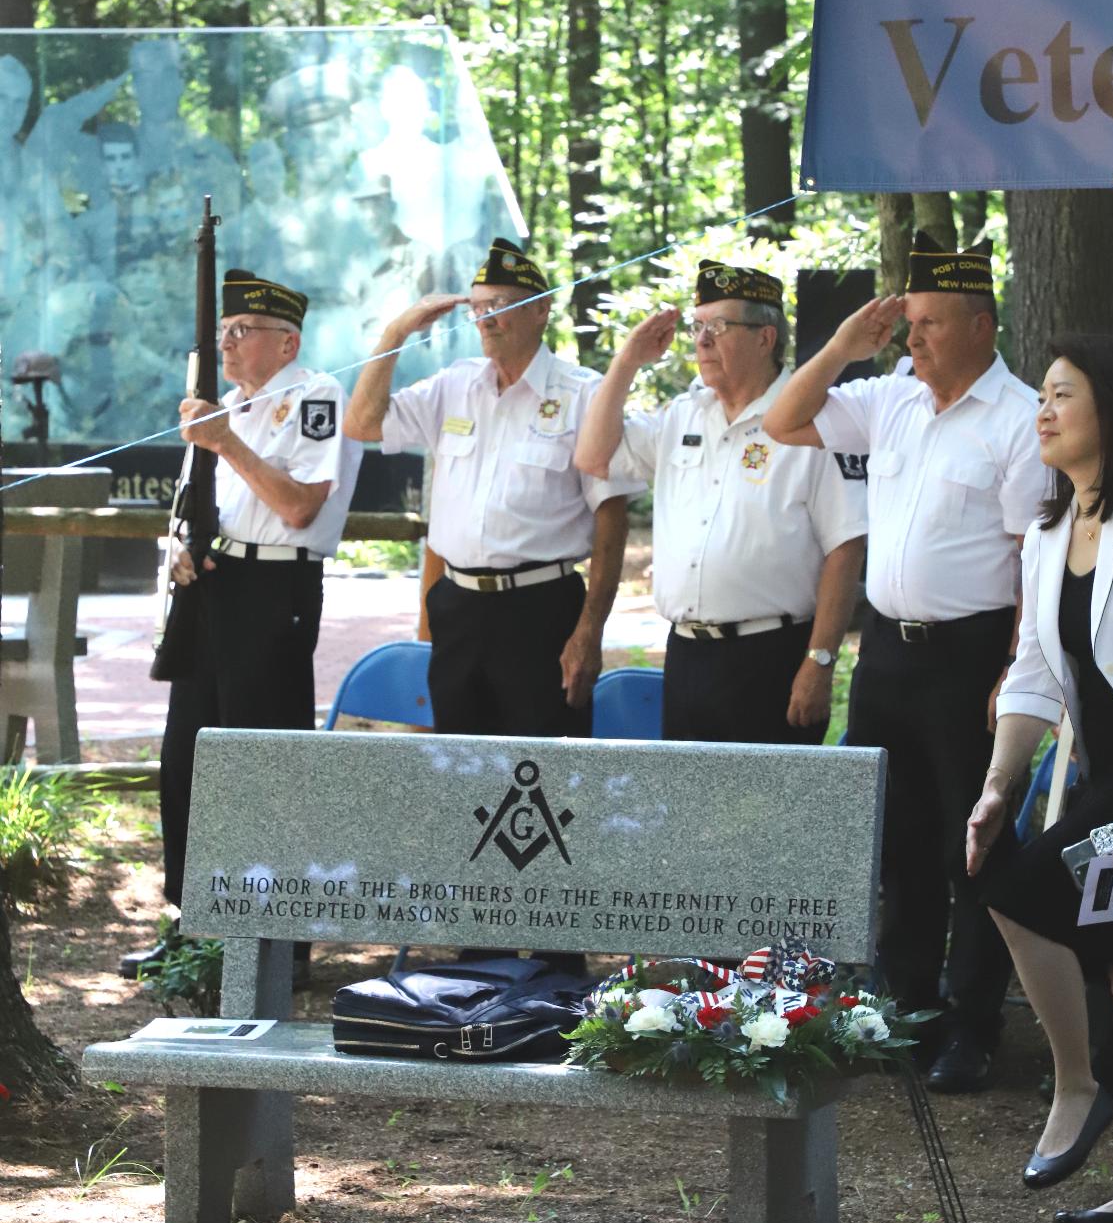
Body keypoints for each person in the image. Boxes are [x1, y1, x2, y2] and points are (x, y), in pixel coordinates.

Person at [763, 231, 1049, 1092]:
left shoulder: (1018, 417)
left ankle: (972, 1026)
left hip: (970, 656)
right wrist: (846, 346)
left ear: (981, 325)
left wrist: (1013, 672)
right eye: (908, 322)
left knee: (974, 847)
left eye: (928, 322)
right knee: (898, 841)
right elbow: (781, 419)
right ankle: (905, 1009)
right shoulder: (887, 397)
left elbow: (1029, 560)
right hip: (886, 650)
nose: (913, 337)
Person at [119, 269, 362, 982]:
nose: (225, 343)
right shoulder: (224, 408)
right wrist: (182, 547)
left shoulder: (312, 396)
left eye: (240, 332)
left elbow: (297, 508)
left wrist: (227, 441)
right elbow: (200, 505)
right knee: (188, 758)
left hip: (275, 585)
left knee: (265, 757)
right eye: (222, 331)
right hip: (217, 586)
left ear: (285, 342)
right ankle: (192, 924)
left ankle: (279, 940)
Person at [344, 237, 640, 738]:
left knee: (544, 775)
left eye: (500, 306)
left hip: (541, 612)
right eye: (479, 307)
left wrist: (590, 629)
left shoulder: (583, 393)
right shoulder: (453, 386)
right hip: (459, 609)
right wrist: (396, 333)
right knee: (461, 772)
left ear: (542, 310)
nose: (485, 319)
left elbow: (612, 516)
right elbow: (363, 424)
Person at [967, 333, 1113, 1223]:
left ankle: (1081, 1082)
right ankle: (1081, 1081)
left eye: (1062, 394)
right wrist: (999, 788)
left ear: (1111, 405)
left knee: (1026, 891)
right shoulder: (1048, 532)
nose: (1043, 410)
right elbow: (1032, 670)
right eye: (1040, 396)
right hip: (1105, 779)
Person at [574, 260, 867, 742]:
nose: (702, 340)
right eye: (697, 326)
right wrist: (627, 361)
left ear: (764, 338)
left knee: (765, 814)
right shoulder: (683, 415)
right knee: (689, 812)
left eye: (719, 326)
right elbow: (592, 456)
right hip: (688, 654)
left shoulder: (812, 419)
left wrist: (820, 661)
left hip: (771, 654)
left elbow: (845, 548)